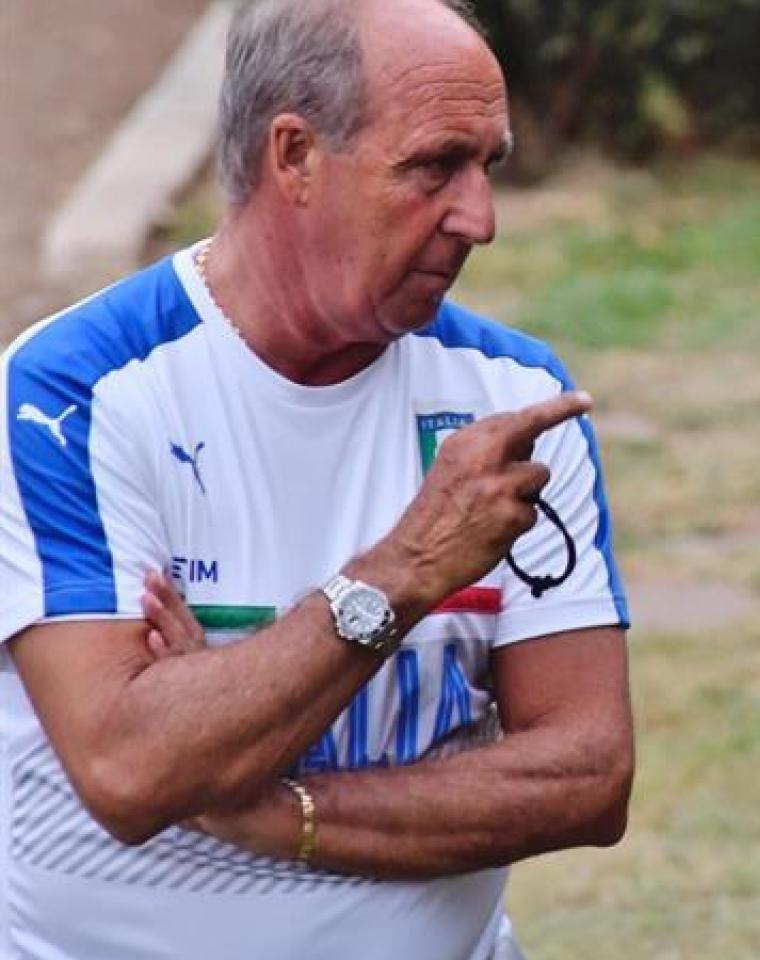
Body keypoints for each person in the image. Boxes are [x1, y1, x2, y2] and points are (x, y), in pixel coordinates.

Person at [0, 0, 632, 957]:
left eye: (487, 166)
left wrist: (275, 811)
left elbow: (588, 776)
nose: (480, 219)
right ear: (291, 155)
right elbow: (130, 769)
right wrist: (408, 569)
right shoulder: (72, 393)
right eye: (433, 166)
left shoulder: (511, 399)